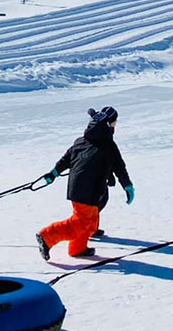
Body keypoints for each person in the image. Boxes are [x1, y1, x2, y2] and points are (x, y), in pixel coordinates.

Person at [36, 106, 133, 260]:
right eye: (114, 123)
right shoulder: (108, 146)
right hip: (84, 190)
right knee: (80, 223)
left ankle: (78, 248)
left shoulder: (81, 141)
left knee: (91, 219)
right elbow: (119, 167)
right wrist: (127, 186)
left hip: (88, 188)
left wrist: (54, 173)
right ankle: (46, 236)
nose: (115, 126)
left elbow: (66, 159)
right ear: (107, 125)